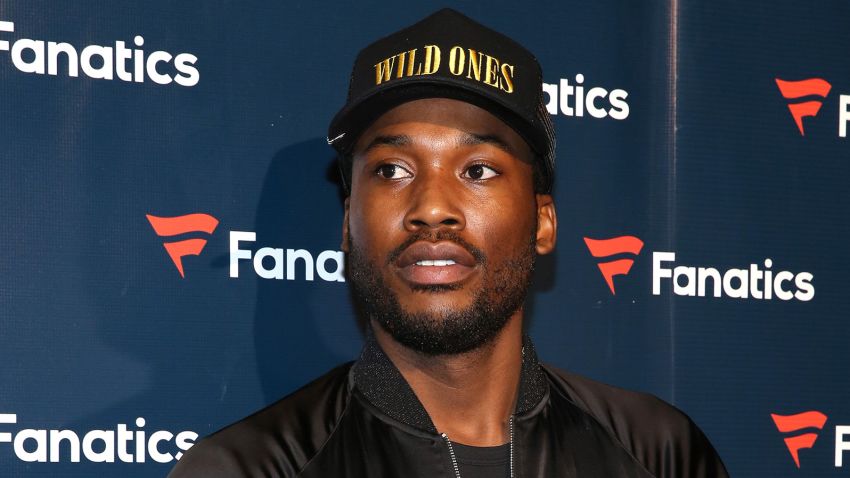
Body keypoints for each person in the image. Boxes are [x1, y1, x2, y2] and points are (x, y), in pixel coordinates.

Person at [169, 8, 728, 477]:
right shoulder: (248, 469)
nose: (431, 208)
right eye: (392, 170)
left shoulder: (659, 453)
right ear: (346, 225)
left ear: (543, 222)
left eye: (479, 170)